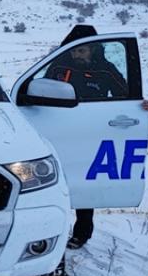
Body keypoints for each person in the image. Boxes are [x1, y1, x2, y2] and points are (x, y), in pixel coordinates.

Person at [45, 24, 125, 250]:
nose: (77, 54)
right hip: (57, 133)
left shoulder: (107, 70)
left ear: (93, 50)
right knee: (53, 182)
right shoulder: (58, 67)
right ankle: (52, 229)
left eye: (82, 50)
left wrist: (140, 106)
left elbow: (125, 96)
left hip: (90, 135)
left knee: (84, 183)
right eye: (74, 50)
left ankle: (82, 232)